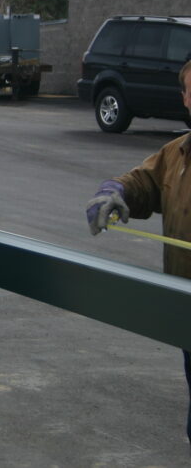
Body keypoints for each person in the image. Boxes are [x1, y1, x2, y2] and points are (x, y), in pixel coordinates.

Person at [85, 58, 191, 454]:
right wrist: (114, 190)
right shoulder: (177, 153)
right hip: (186, 309)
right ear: (185, 97)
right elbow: (144, 181)